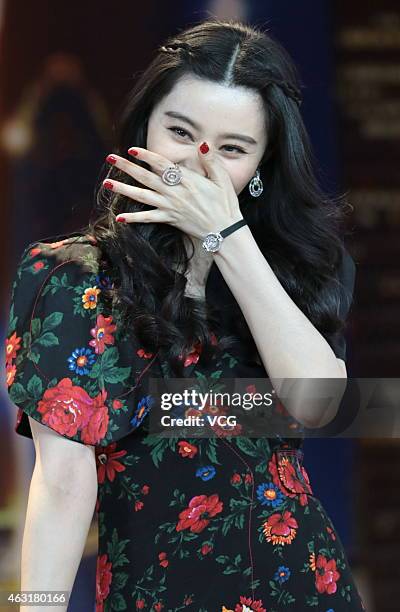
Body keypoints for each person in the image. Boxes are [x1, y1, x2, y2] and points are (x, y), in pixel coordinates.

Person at [4, 18, 366, 612]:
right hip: (154, 593)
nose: (200, 164)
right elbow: (63, 482)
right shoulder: (72, 278)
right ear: (145, 125)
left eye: (232, 149)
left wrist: (227, 235)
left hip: (297, 584)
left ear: (262, 166)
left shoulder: (303, 270)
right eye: (180, 131)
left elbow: (318, 404)